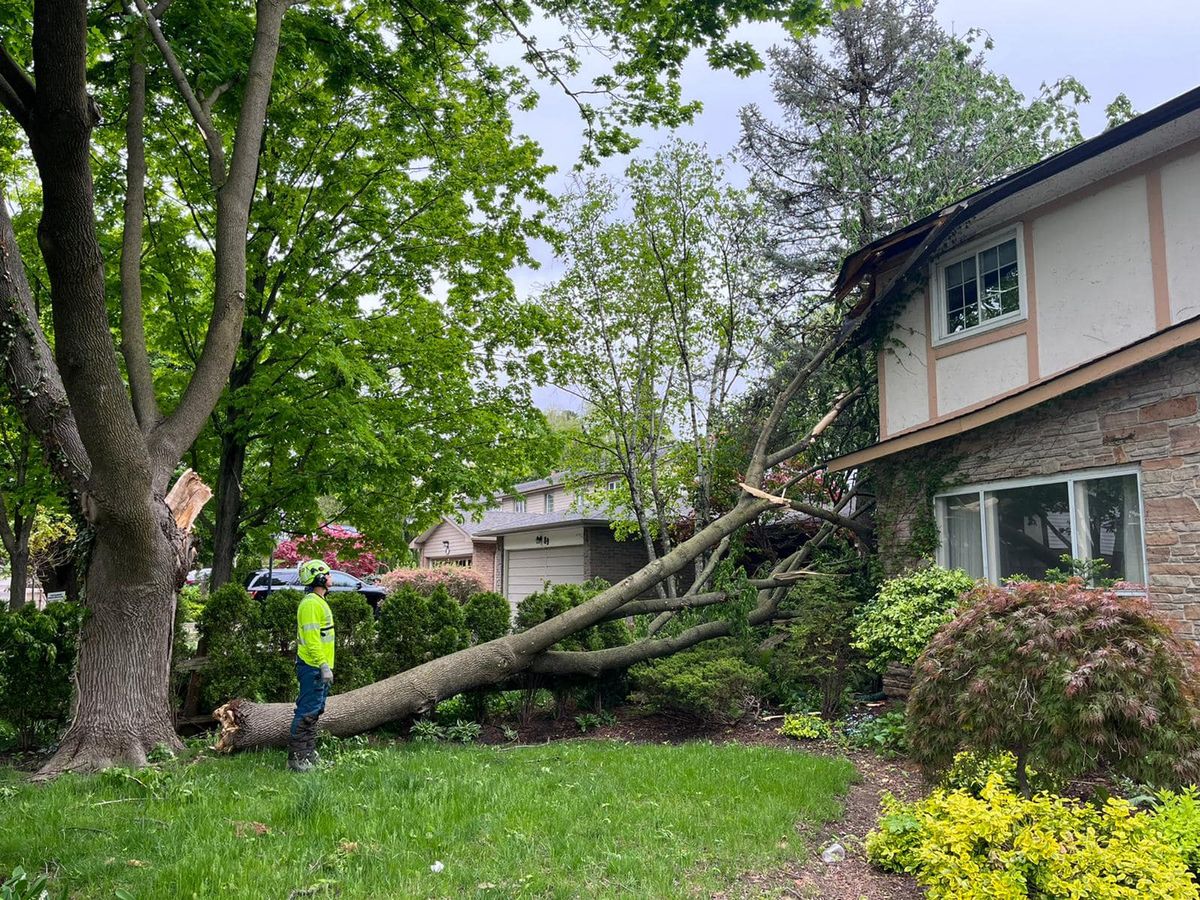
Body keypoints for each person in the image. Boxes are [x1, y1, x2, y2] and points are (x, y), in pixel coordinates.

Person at [289, 558, 335, 772]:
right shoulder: (310, 604)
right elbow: (312, 639)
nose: (331, 577)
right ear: (319, 577)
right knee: (307, 711)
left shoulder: (318, 601)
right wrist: (322, 665)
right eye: (328, 573)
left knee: (315, 711)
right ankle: (297, 759)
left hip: (320, 666)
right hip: (313, 666)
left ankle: (308, 754)